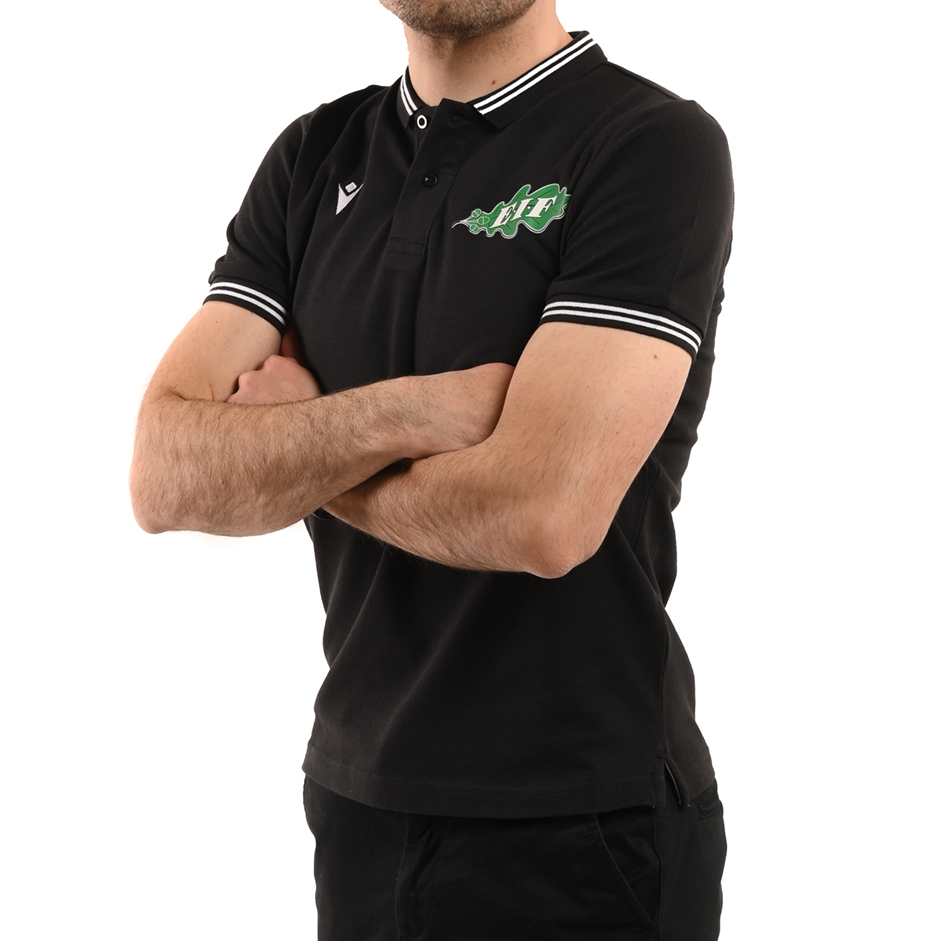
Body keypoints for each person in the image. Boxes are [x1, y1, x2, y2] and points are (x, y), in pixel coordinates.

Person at [130, 0, 734, 937]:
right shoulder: (313, 156)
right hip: (356, 802)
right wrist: (412, 412)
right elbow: (163, 475)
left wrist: (296, 443)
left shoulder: (648, 144)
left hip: (583, 818)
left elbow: (542, 517)